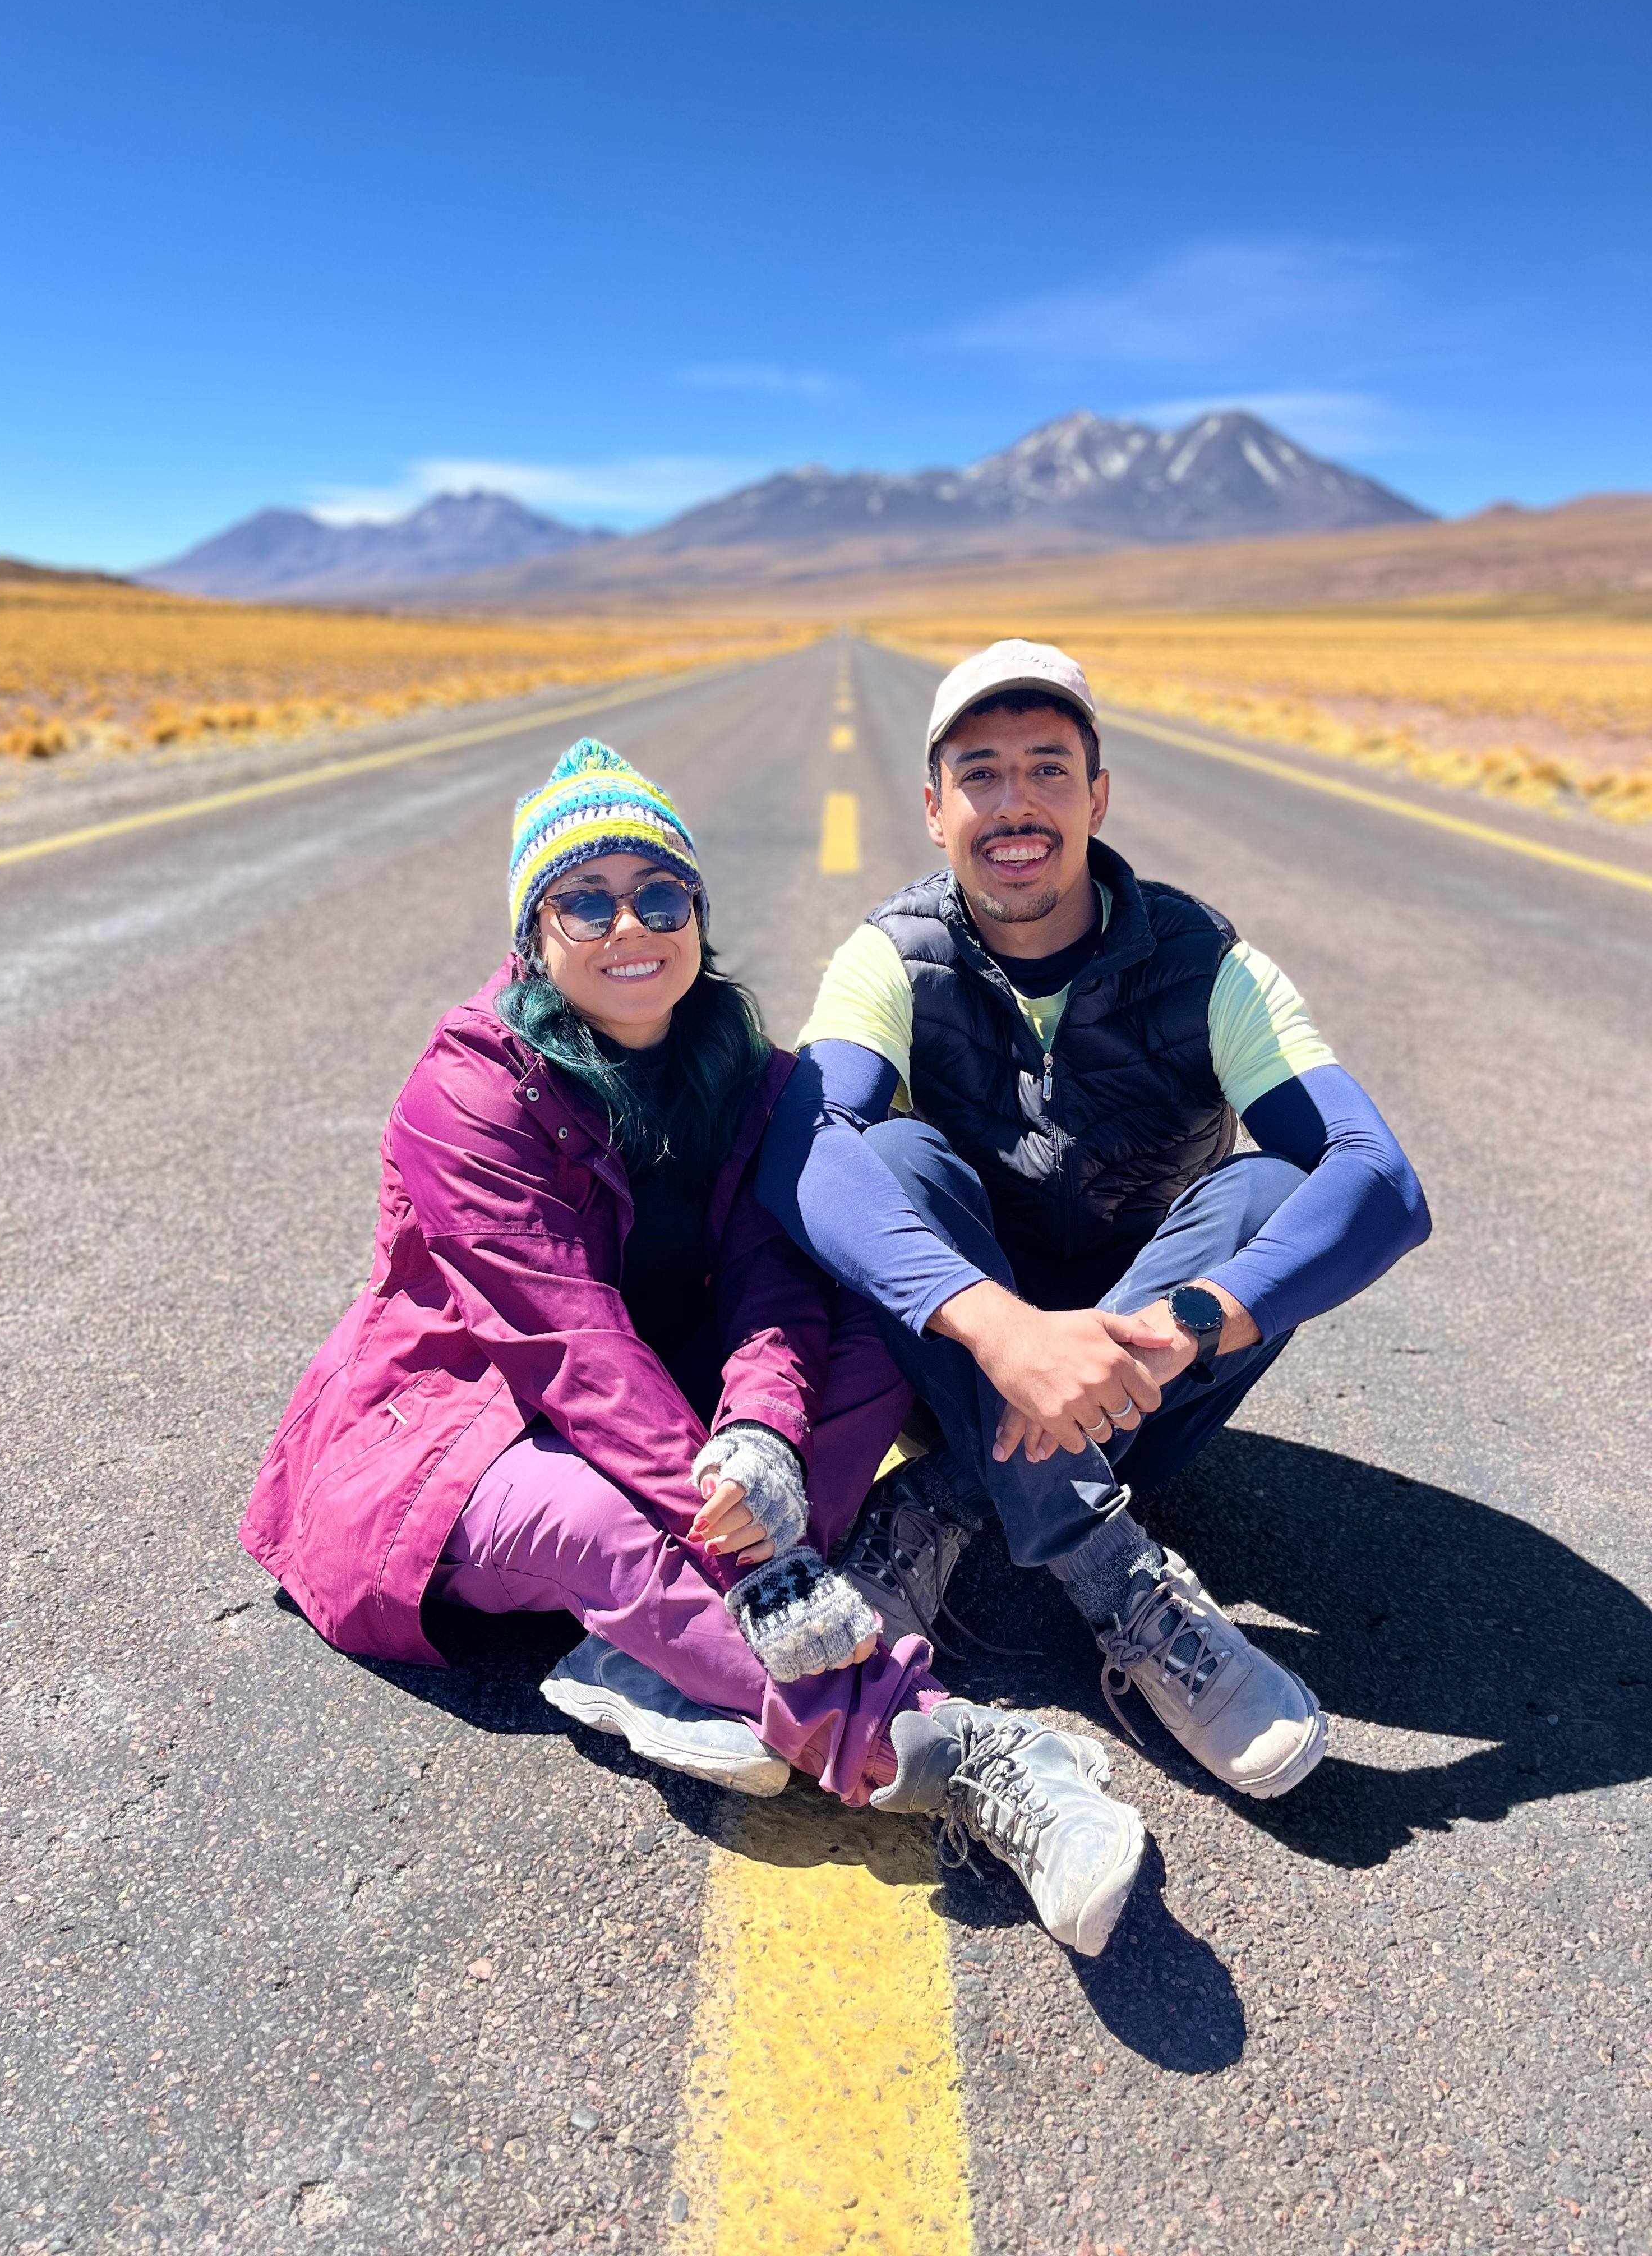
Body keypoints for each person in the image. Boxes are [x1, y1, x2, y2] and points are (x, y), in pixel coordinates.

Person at [239, 737, 1155, 1958]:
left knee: (870, 1329)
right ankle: (960, 1757)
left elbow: (779, 1274)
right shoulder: (468, 1089)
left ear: (698, 915)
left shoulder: (744, 1069)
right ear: (534, 930)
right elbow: (567, 1342)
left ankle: (664, 1658)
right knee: (589, 1521)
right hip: (463, 1427)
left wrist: (764, 1432)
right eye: (587, 899)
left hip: (657, 1403)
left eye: (661, 895)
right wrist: (759, 1547)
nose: (632, 925)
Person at [760, 641, 1432, 1802]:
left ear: (1098, 795)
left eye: (1048, 769)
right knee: (892, 1151)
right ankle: (1113, 1572)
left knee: (1270, 1189)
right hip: (968, 1363)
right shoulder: (892, 957)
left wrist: (1195, 1320)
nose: (1015, 805)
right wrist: (1003, 1332)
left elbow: (1380, 1177)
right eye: (981, 774)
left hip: (1145, 1379)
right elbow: (801, 1152)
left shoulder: (1205, 965)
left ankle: (947, 1500)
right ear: (933, 808)